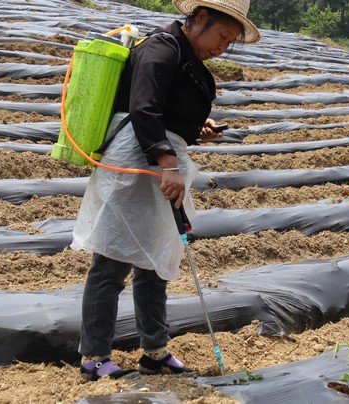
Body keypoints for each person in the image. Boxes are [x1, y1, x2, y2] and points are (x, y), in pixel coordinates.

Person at [70, 0, 261, 381]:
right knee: (112, 261)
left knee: (155, 262)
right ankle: (93, 357)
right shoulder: (161, 47)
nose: (222, 47)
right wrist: (168, 164)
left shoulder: (186, 60)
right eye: (222, 36)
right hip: (138, 162)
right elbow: (144, 108)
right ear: (200, 18)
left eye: (230, 43)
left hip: (159, 161)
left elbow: (168, 110)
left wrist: (196, 127)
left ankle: (154, 352)